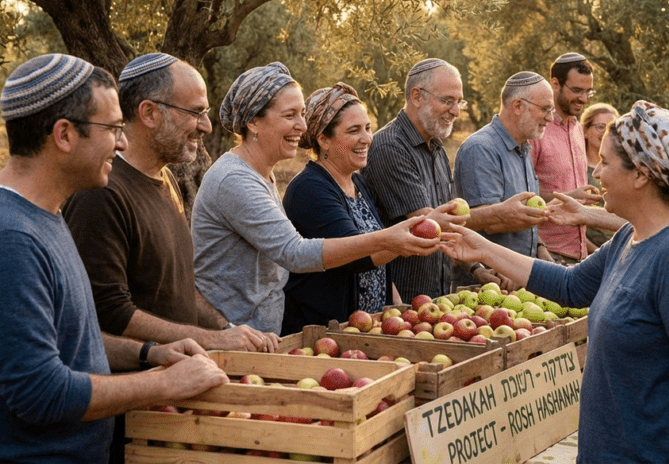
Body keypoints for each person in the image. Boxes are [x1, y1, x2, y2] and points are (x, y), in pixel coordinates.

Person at [0, 54, 228, 463]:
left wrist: (148, 354)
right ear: (64, 135)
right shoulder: (6, 239)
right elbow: (40, 393)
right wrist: (163, 384)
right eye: (111, 128)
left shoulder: (44, 215)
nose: (122, 141)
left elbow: (70, 344)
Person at [445, 101, 669, 463]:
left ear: (641, 174)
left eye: (606, 162)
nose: (597, 173)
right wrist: (481, 247)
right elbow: (570, 285)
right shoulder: (632, 236)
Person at [191, 63, 443, 335]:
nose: (302, 125)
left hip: (259, 335)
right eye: (290, 115)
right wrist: (387, 239)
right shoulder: (236, 180)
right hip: (234, 336)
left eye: (302, 114)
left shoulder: (262, 174)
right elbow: (295, 253)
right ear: (253, 121)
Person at [63, 53, 275, 354]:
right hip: (139, 391)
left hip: (178, 381)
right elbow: (108, 312)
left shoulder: (166, 178)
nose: (206, 126)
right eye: (195, 112)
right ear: (149, 113)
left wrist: (222, 327)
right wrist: (209, 340)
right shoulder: (102, 193)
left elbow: (179, 287)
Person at [361, 59, 489, 297]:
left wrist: (476, 269)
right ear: (417, 96)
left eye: (459, 101)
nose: (456, 111)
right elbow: (429, 225)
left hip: (435, 299)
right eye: (447, 100)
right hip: (400, 303)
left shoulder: (437, 148)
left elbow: (444, 228)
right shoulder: (390, 146)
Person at [280, 83, 398, 333]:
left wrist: (396, 307)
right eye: (353, 130)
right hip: (325, 336)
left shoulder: (358, 182)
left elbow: (377, 255)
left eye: (367, 128)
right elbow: (357, 255)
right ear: (323, 139)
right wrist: (406, 240)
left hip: (367, 331)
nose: (366, 138)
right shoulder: (309, 189)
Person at [453, 71, 555, 263]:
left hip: (518, 278)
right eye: (545, 109)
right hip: (489, 283)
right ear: (518, 106)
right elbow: (489, 223)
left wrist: (540, 248)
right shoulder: (481, 148)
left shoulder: (523, 147)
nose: (550, 118)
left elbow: (521, 216)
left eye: (552, 110)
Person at [529, 53, 602, 265]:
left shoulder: (578, 128)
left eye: (589, 91)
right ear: (555, 84)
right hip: (547, 256)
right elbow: (521, 195)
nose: (584, 99)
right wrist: (570, 195)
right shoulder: (537, 130)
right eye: (577, 91)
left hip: (579, 256)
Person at [579, 102, 622, 249]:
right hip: (587, 253)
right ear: (584, 130)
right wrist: (596, 253)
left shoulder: (623, 171)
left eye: (611, 128)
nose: (605, 132)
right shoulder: (576, 170)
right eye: (600, 127)